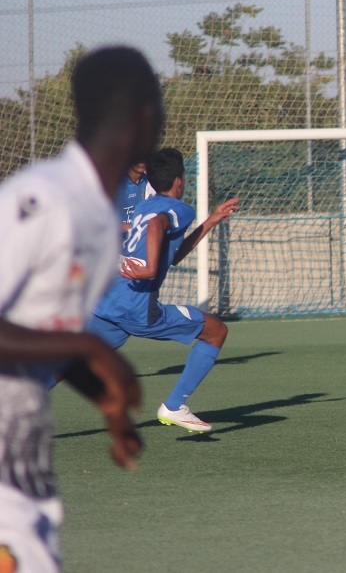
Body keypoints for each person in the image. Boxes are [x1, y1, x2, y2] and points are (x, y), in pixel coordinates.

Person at [0, 46, 161, 572]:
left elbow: (43, 335)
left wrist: (108, 405)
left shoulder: (103, 214)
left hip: (22, 464)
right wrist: (90, 344)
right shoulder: (41, 199)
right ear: (145, 115)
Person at [87, 148, 240, 432]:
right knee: (216, 331)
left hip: (108, 302)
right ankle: (175, 406)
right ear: (179, 181)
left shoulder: (144, 206)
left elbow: (174, 255)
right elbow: (158, 224)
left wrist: (211, 221)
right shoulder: (180, 209)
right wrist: (148, 268)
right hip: (138, 309)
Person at [114, 161, 149, 233]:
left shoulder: (149, 181)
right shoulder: (117, 183)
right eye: (138, 157)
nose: (141, 162)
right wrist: (136, 228)